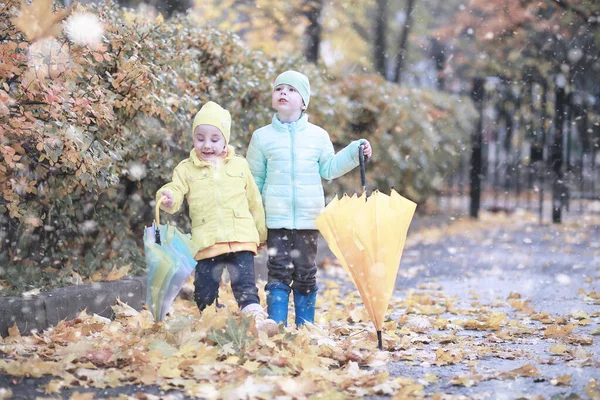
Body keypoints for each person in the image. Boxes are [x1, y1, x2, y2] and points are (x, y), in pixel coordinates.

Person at [246, 70, 373, 327]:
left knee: (306, 273)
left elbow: (329, 168)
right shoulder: (262, 137)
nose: (284, 92)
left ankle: (306, 328)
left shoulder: (318, 136)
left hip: (308, 220)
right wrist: (254, 220)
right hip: (276, 220)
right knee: (278, 271)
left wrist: (353, 152)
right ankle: (276, 327)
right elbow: (253, 181)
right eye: (279, 88)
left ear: (303, 102)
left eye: (292, 90)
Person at [156, 101, 277, 334]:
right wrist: (169, 197)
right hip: (207, 241)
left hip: (240, 238)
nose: (207, 144)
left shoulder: (240, 165)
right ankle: (211, 319)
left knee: (245, 286)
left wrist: (261, 233)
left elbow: (254, 202)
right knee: (204, 291)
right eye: (200, 138)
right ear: (193, 139)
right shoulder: (186, 169)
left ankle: (255, 320)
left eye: (214, 138)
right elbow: (176, 189)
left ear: (225, 140)